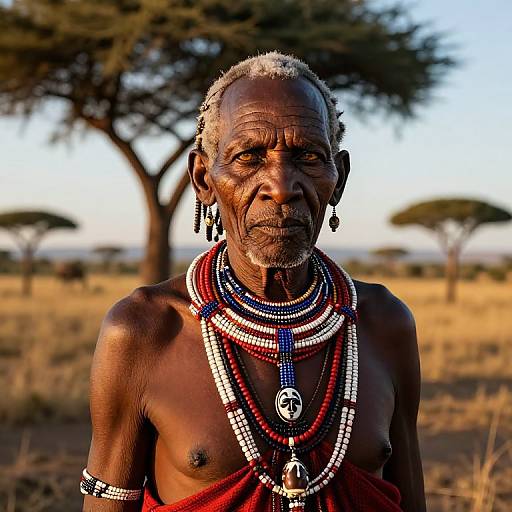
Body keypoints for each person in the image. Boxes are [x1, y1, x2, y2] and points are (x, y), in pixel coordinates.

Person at [81, 52, 426, 512]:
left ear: (337, 178)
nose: (281, 185)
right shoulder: (144, 331)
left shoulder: (384, 324)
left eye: (308, 156)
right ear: (204, 178)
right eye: (249, 156)